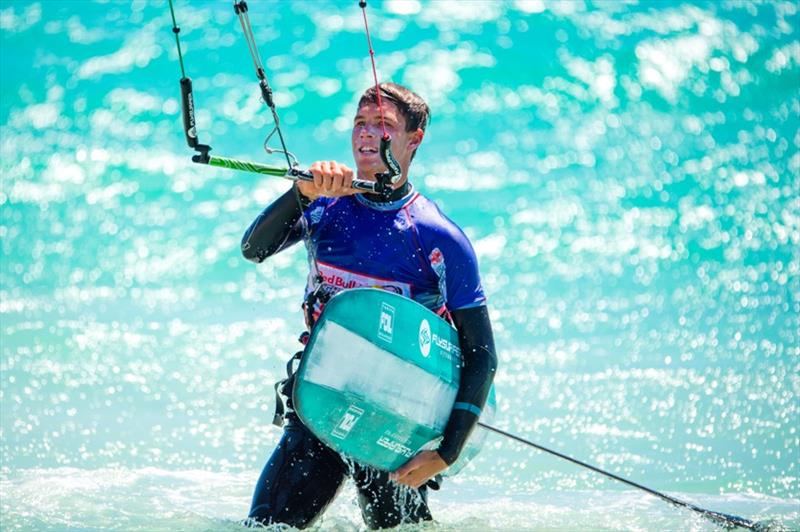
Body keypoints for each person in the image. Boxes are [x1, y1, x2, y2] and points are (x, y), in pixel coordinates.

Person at [241, 82, 497, 529]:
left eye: (383, 125)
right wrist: (303, 193)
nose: (366, 134)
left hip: (396, 426)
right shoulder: (325, 207)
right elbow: (253, 249)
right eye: (361, 123)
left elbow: (482, 356)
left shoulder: (438, 237)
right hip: (321, 407)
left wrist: (446, 451)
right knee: (266, 528)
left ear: (413, 141)